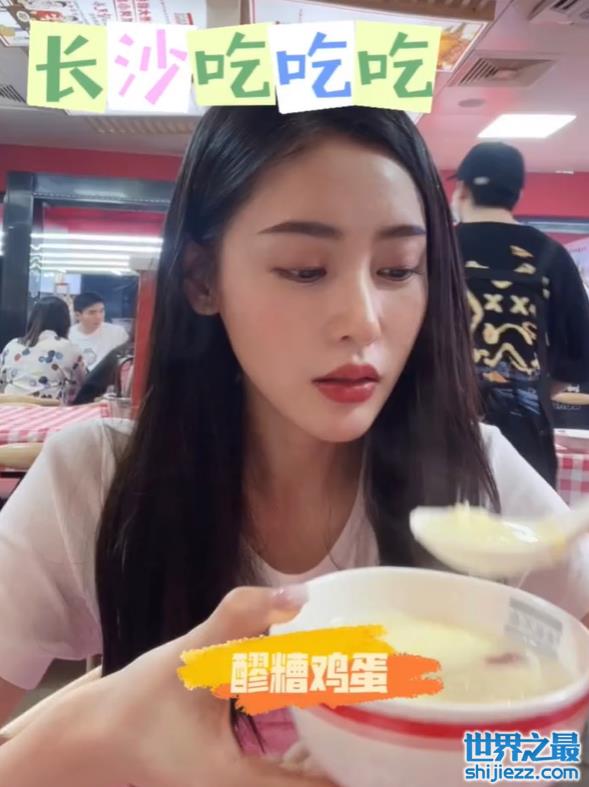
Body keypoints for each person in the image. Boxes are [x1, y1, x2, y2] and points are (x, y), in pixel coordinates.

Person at [1, 107, 589, 785]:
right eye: (306, 269)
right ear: (201, 279)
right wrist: (86, 737)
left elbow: (565, 758)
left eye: (398, 269)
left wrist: (457, 766)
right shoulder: (99, 481)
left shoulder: (479, 479)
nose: (363, 321)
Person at [451, 142, 589, 487]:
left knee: (437, 516)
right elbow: (581, 351)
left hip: (440, 421)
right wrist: (532, 389)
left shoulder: (436, 248)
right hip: (524, 427)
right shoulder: (550, 254)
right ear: (517, 194)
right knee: (522, 515)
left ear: (463, 190)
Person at [0, 296, 86, 402]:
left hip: (10, 407)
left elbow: (2, 382)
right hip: (48, 409)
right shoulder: (69, 348)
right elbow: (84, 385)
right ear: (65, 322)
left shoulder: (12, 345)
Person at [69, 292, 129, 371]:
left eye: (101, 311)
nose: (99, 317)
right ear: (77, 315)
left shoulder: (117, 333)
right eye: (92, 313)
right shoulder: (69, 336)